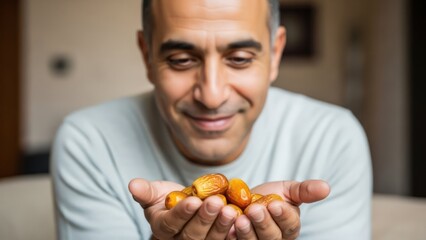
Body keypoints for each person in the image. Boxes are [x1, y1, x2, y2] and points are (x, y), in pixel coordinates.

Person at [51, 0, 372, 239]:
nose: (212, 95)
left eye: (240, 59)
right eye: (181, 60)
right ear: (146, 55)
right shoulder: (89, 140)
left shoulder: (332, 137)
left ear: (275, 54)